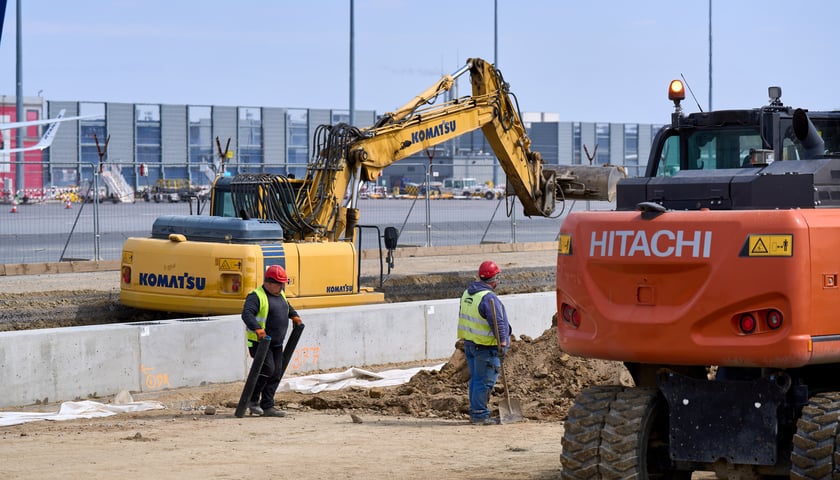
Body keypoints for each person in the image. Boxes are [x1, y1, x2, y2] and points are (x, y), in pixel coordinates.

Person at [241, 264, 303, 417]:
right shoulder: (256, 296)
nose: (282, 287)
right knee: (267, 369)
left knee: (276, 372)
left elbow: (287, 307)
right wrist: (257, 329)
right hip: (260, 343)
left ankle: (268, 405)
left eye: (283, 283)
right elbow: (247, 314)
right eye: (279, 283)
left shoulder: (280, 294)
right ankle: (253, 400)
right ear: (269, 282)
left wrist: (294, 316)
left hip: (276, 343)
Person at [457, 260, 511, 425]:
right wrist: (502, 343)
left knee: (476, 379)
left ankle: (476, 411)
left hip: (470, 344)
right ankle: (480, 415)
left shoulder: (468, 293)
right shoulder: (488, 298)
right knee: (484, 381)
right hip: (486, 347)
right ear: (494, 279)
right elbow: (498, 323)